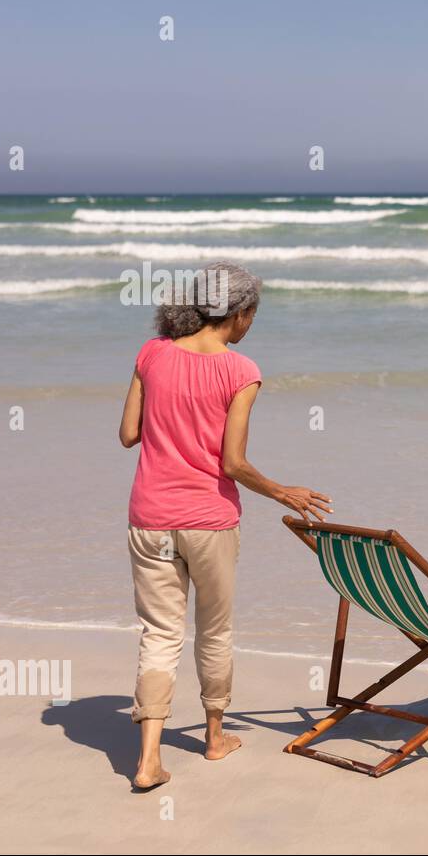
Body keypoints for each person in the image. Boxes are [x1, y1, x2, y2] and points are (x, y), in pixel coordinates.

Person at [118, 261, 332, 789]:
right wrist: (283, 491)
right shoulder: (242, 372)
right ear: (239, 314)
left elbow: (128, 435)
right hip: (209, 522)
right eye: (252, 314)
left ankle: (148, 761)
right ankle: (214, 738)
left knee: (159, 634)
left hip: (149, 517)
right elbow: (232, 463)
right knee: (213, 631)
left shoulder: (151, 354)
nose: (251, 324)